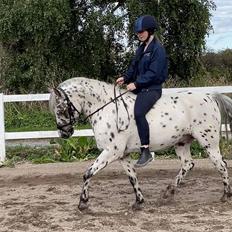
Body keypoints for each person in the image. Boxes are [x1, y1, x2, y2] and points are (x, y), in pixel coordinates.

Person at [116, 15, 168, 167]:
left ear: (150, 31)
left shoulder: (158, 49)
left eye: (142, 31)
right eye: (137, 32)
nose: (139, 34)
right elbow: (134, 66)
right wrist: (125, 78)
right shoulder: (141, 48)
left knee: (138, 112)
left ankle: (145, 150)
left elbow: (154, 73)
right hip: (141, 88)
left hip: (152, 89)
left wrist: (136, 83)